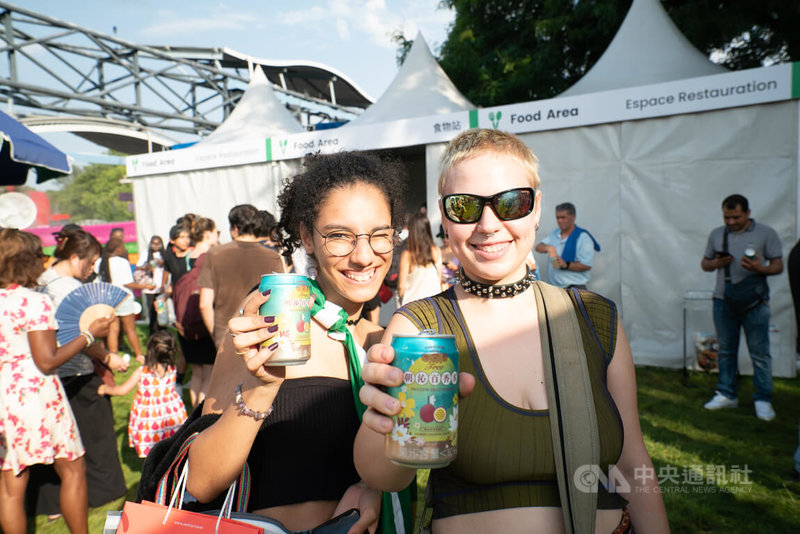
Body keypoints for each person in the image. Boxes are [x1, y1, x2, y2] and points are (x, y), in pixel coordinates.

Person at [354, 129, 669, 533]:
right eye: (465, 206)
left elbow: (632, 461)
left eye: (511, 203)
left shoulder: (595, 318)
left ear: (536, 209)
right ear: (444, 218)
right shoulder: (420, 328)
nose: (488, 224)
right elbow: (388, 479)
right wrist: (381, 418)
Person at [137, 151, 412, 534]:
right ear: (306, 237)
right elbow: (200, 483)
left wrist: (372, 487)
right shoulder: (272, 322)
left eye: (379, 235)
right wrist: (261, 390)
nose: (364, 256)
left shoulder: (381, 340)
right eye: (339, 236)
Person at [0, 229, 114, 534]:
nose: (45, 261)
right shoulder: (33, 302)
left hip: (4, 397)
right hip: (37, 395)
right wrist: (89, 333)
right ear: (25, 260)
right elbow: (47, 360)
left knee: (12, 481)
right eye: (40, 255)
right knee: (73, 468)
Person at [26, 226, 129, 518]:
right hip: (74, 372)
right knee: (92, 442)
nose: (93, 269)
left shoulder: (41, 283)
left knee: (54, 446)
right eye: (92, 263)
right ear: (75, 258)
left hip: (49, 376)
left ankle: (52, 503)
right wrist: (107, 356)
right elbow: (79, 337)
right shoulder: (67, 288)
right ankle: (99, 495)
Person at [701, 194, 783, 421]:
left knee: (760, 352)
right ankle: (727, 393)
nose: (731, 222)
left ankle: (763, 399)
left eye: (736, 217)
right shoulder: (717, 234)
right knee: (726, 350)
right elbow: (705, 264)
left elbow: (778, 266)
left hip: (755, 302)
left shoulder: (766, 233)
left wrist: (760, 267)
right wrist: (716, 263)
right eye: (727, 217)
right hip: (723, 300)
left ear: (747, 213)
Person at [199, 205, 285, 349]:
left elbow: (204, 304)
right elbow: (281, 299)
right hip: (261, 333)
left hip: (225, 333)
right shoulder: (273, 257)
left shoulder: (214, 254)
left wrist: (217, 337)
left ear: (235, 228)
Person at [177, 216, 220, 407]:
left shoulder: (188, 255)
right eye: (216, 232)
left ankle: (194, 413)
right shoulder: (211, 256)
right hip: (204, 322)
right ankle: (202, 415)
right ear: (208, 233)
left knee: (196, 371)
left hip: (186, 321)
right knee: (210, 373)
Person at [98, 237, 148, 360]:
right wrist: (145, 286)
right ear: (119, 249)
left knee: (113, 329)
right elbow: (127, 283)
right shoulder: (122, 262)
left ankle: (112, 355)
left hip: (108, 299)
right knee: (130, 329)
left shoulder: (100, 262)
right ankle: (138, 354)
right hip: (124, 298)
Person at [534, 202, 600, 289]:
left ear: (573, 217)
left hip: (575, 288)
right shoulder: (554, 233)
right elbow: (538, 247)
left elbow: (586, 265)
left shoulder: (583, 238)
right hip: (554, 288)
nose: (560, 221)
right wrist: (549, 248)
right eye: (557, 218)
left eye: (563, 217)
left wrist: (566, 264)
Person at [397, 212, 444, 306]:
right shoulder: (437, 251)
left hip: (412, 306)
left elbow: (401, 286)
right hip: (434, 305)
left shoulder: (407, 255)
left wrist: (401, 300)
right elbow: (439, 279)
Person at [136, 235, 168, 336]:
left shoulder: (164, 255)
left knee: (161, 310)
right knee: (151, 311)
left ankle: (162, 331)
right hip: (149, 288)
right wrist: (149, 266)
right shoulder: (146, 254)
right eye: (153, 243)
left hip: (161, 287)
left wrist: (163, 262)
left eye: (158, 243)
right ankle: (153, 333)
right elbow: (138, 267)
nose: (155, 246)